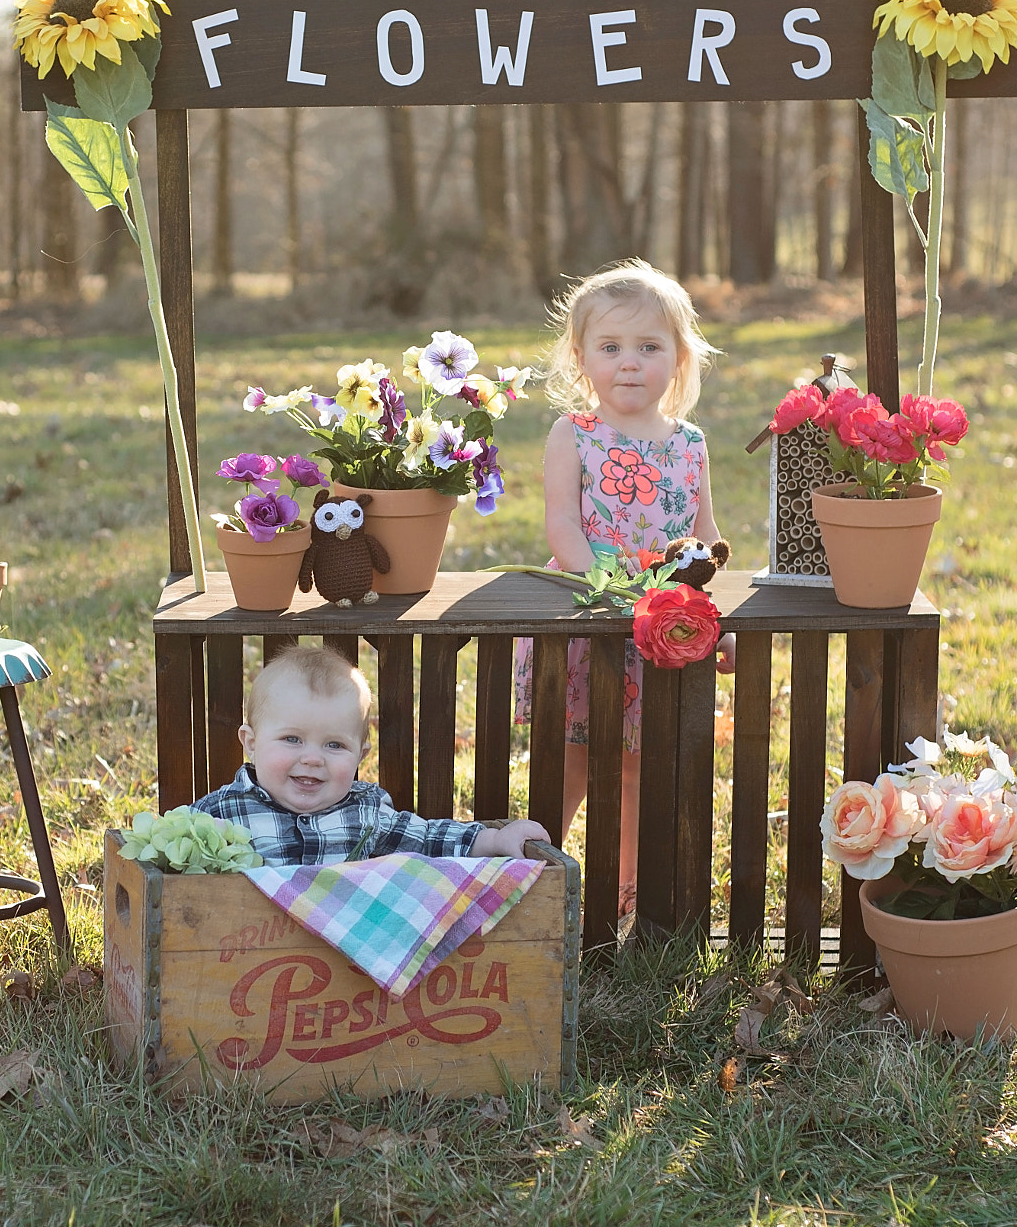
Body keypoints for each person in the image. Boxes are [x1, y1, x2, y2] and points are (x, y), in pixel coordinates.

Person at [513, 259, 734, 906]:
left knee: (640, 764)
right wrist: (612, 600)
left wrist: (707, 619)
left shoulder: (690, 444)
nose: (630, 363)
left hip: (663, 625)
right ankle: (538, 877)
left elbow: (706, 538)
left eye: (648, 347)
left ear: (680, 358)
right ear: (582, 360)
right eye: (611, 348)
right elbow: (564, 532)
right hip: (592, 617)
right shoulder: (574, 435)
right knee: (573, 758)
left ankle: (623, 888)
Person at [196, 644, 552, 865]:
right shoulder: (217, 814)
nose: (313, 758)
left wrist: (493, 840)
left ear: (361, 755)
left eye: (334, 745)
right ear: (251, 743)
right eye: (292, 739)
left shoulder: (366, 812)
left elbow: (428, 840)